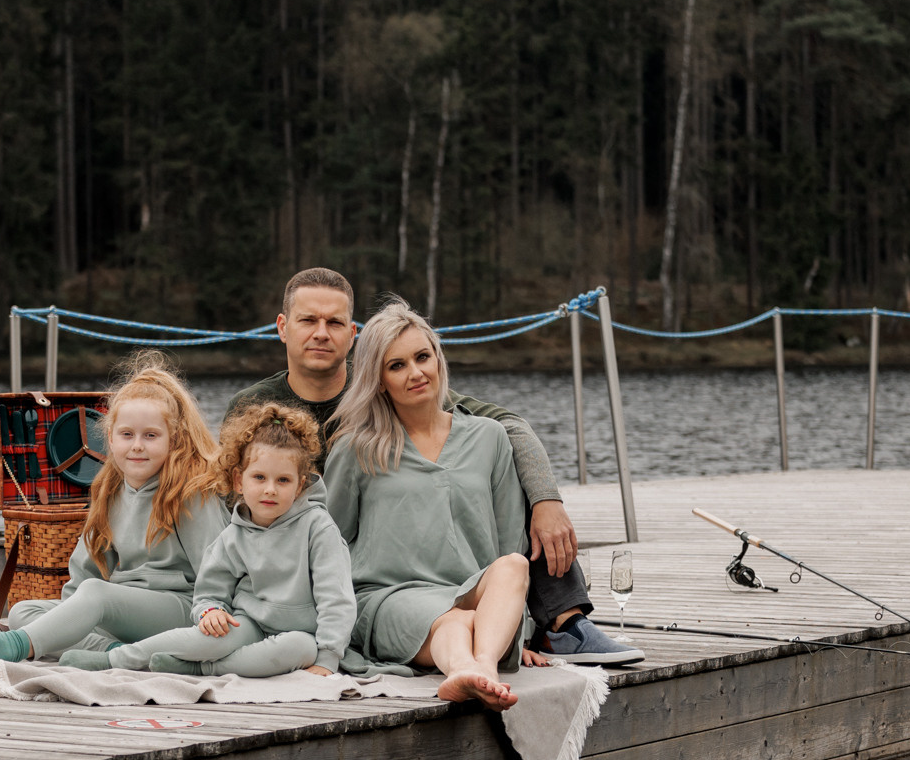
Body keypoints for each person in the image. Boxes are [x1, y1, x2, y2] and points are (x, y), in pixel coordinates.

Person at [228, 268, 638, 663]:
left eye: (334, 322)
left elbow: (507, 424)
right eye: (308, 321)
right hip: (318, 545)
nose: (321, 333)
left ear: (353, 335)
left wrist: (547, 497)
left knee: (504, 467)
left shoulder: (393, 376)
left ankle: (562, 622)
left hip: (429, 540)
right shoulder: (255, 406)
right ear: (283, 327)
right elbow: (232, 493)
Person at [321, 298, 533, 710]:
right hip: (391, 597)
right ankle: (471, 670)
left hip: (474, 596)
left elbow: (510, 539)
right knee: (454, 621)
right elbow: (328, 541)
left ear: (438, 358)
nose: (416, 373)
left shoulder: (489, 437)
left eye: (422, 357)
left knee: (514, 566)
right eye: (397, 365)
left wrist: (519, 627)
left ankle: (481, 668)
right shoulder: (357, 448)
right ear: (379, 381)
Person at [0, 354, 228, 663]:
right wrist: (70, 617)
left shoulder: (192, 492)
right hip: (121, 610)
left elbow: (218, 568)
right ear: (110, 440)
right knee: (24, 612)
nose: (137, 445)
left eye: (151, 435)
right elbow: (85, 572)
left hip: (184, 609)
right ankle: (116, 653)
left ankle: (12, 648)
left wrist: (212, 612)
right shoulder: (110, 491)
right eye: (127, 434)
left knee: (96, 595)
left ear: (174, 439)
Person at [64, 403, 355, 678]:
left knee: (300, 649)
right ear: (239, 481)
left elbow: (336, 598)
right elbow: (210, 589)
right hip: (248, 622)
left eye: (283, 481)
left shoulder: (318, 528)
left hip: (301, 633)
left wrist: (328, 656)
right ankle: (116, 659)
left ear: (300, 485)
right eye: (259, 477)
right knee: (208, 637)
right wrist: (211, 610)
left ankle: (199, 670)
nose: (270, 489)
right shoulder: (234, 533)